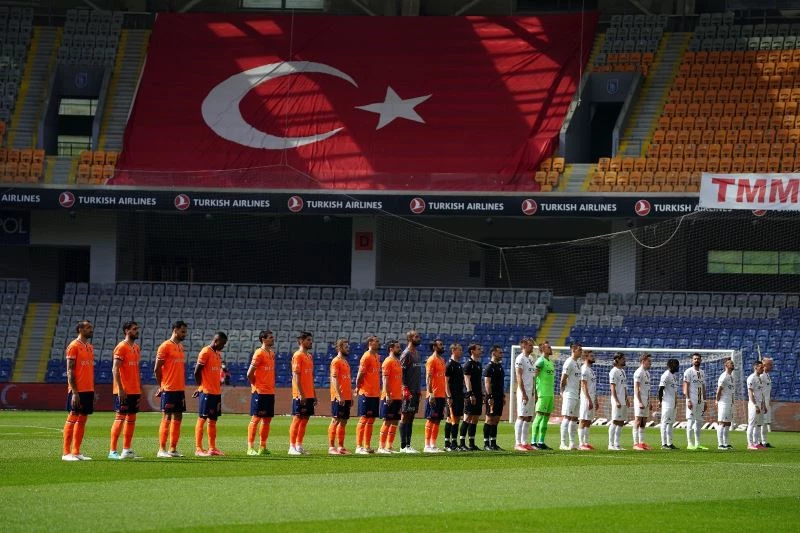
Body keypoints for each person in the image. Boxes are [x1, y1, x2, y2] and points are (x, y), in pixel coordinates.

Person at [154, 320, 188, 458]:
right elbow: (157, 369)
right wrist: (161, 386)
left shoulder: (180, 347)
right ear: (175, 330)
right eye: (183, 331)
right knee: (167, 416)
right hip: (168, 388)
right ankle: (161, 449)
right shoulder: (165, 346)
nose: (185, 334)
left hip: (179, 388)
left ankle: (173, 449)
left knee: (178, 416)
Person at [62, 320, 95, 461]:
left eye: (91, 327)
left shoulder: (90, 347)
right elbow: (70, 371)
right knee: (72, 418)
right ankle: (66, 453)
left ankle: (76, 451)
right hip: (77, 390)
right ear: (80, 330)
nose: (91, 329)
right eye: (88, 327)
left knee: (82, 419)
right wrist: (74, 392)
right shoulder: (73, 346)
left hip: (88, 389)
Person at [109, 321, 141, 460]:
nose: (137, 331)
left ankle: (126, 450)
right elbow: (115, 369)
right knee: (120, 418)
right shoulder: (121, 347)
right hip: (124, 390)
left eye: (137, 329)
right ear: (127, 331)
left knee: (131, 419)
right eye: (134, 329)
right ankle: (112, 451)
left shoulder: (136, 348)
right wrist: (120, 388)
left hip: (134, 389)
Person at [193, 332, 228, 457]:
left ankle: (212, 448)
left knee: (212, 420)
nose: (223, 346)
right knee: (202, 418)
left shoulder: (217, 354)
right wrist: (201, 387)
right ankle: (198, 449)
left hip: (216, 392)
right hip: (207, 392)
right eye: (222, 343)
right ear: (216, 341)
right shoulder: (205, 352)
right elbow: (197, 371)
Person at [246, 330, 276, 456]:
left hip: (270, 391)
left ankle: (262, 447)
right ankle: (250, 448)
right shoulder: (259, 353)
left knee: (267, 419)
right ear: (263, 339)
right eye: (270, 337)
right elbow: (249, 373)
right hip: (260, 391)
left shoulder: (272, 353)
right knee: (256, 418)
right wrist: (256, 385)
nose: (272, 339)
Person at [289, 331, 316, 455]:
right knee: (297, 418)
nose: (311, 342)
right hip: (300, 394)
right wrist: (301, 394)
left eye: (311, 340)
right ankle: (292, 447)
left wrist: (314, 394)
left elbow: (310, 377)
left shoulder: (309, 356)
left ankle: (299, 445)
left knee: (305, 419)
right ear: (301, 341)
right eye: (308, 340)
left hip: (309, 393)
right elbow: (296, 376)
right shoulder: (298, 355)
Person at [355, 335, 381, 454]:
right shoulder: (366, 356)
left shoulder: (377, 356)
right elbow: (360, 374)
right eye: (376, 341)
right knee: (364, 419)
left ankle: (367, 446)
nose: (378, 343)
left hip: (375, 393)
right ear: (370, 343)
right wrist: (358, 387)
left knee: (371, 420)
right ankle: (359, 446)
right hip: (366, 392)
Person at [399, 330, 422, 453]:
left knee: (411, 416)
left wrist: (418, 389)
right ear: (410, 339)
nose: (419, 338)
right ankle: (403, 446)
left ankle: (408, 445)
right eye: (416, 337)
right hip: (408, 391)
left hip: (415, 390)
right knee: (405, 415)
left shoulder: (417, 353)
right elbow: (401, 372)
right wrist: (404, 388)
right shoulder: (406, 354)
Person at [378, 340, 403, 453]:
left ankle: (389, 446)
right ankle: (381, 447)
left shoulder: (398, 362)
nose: (399, 349)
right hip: (389, 396)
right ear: (391, 349)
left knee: (395, 421)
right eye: (397, 347)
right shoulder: (387, 361)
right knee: (387, 421)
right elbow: (385, 379)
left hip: (397, 396)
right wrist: (388, 395)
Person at [329, 338, 353, 455]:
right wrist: (339, 395)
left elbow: (347, 381)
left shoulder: (345, 362)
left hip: (346, 396)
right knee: (336, 420)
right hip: (338, 397)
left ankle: (341, 447)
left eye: (348, 347)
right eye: (345, 347)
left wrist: (350, 396)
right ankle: (331, 447)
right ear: (339, 348)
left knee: (343, 421)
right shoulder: (336, 361)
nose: (348, 349)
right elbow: (334, 379)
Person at [424, 339, 447, 453]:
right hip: (434, 394)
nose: (442, 346)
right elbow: (428, 378)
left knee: (437, 420)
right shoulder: (431, 360)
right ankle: (427, 445)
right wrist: (431, 393)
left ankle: (433, 444)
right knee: (431, 419)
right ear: (434, 347)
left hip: (441, 394)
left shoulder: (442, 360)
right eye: (440, 345)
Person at [459, 343, 483, 451]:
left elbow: (480, 381)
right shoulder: (468, 364)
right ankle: (462, 443)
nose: (480, 351)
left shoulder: (478, 364)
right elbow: (467, 380)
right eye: (478, 349)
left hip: (478, 394)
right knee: (467, 417)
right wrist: (470, 394)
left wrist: (482, 393)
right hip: (471, 395)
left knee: (475, 418)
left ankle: (472, 444)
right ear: (472, 351)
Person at [513, 339, 536, 451]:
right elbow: (519, 376)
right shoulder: (520, 358)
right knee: (521, 416)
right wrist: (523, 393)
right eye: (530, 345)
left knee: (529, 416)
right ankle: (517, 443)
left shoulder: (530, 359)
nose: (532, 347)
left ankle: (524, 442)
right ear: (524, 346)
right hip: (524, 392)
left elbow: (532, 377)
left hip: (531, 391)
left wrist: (533, 391)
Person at [532, 341, 555, 450]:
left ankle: (541, 442)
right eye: (548, 347)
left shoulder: (550, 362)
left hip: (550, 393)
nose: (551, 349)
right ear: (543, 349)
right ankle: (533, 442)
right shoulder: (540, 361)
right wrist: (535, 392)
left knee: (546, 418)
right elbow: (534, 376)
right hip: (542, 393)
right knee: (539, 416)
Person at [559, 342, 582, 450]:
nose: (581, 352)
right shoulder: (569, 362)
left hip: (576, 394)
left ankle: (572, 443)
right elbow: (563, 378)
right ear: (573, 350)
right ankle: (563, 443)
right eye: (579, 350)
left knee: (574, 418)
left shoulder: (577, 363)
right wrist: (562, 391)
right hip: (569, 393)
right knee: (567, 417)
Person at [683, 353, 707, 450]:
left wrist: (705, 400)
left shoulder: (702, 372)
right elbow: (685, 386)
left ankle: (697, 444)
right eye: (695, 359)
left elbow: (703, 387)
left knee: (699, 422)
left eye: (698, 359)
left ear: (701, 360)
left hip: (700, 400)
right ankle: (689, 444)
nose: (696, 360)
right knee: (690, 421)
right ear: (692, 361)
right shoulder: (688, 371)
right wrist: (688, 399)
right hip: (692, 400)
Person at [483, 344, 505, 451]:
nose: (502, 354)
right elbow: (487, 382)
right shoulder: (489, 367)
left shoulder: (500, 366)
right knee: (489, 419)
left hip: (499, 396)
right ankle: (486, 444)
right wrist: (490, 396)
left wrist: (503, 395)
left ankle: (493, 443)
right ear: (493, 353)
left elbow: (501, 383)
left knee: (496, 419)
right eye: (500, 352)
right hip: (492, 396)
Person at [444, 343, 465, 452]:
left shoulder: (459, 365)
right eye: (459, 350)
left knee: (457, 418)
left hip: (459, 395)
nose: (461, 352)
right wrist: (449, 396)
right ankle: (447, 444)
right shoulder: (449, 365)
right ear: (453, 351)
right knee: (450, 418)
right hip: (452, 396)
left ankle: (454, 443)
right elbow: (446, 382)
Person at [608, 352, 629, 451]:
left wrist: (626, 398)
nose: (624, 360)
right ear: (617, 360)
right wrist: (616, 400)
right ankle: (610, 444)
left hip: (623, 400)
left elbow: (624, 387)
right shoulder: (613, 371)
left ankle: (617, 444)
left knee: (621, 422)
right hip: (617, 400)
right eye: (623, 359)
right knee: (615, 421)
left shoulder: (622, 371)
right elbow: (612, 387)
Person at [632, 353, 653, 450]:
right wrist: (639, 401)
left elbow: (647, 389)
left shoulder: (647, 373)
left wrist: (650, 401)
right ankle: (636, 443)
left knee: (644, 422)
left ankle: (642, 442)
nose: (650, 363)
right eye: (649, 361)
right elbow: (636, 388)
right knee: (638, 420)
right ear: (643, 361)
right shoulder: (638, 372)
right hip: (639, 400)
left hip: (646, 400)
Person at [658, 358, 680, 449]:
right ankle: (664, 444)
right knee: (664, 422)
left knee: (670, 423)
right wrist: (660, 401)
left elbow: (674, 390)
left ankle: (670, 443)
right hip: (666, 403)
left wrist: (675, 401)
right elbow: (660, 389)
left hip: (673, 403)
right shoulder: (666, 375)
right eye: (677, 365)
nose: (678, 367)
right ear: (672, 366)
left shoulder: (673, 376)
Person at [578, 349, 597, 450]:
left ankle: (586, 442)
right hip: (586, 398)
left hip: (592, 397)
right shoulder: (584, 369)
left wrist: (595, 400)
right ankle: (581, 443)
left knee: (588, 420)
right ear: (586, 357)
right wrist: (589, 399)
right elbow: (583, 385)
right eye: (591, 356)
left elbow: (592, 386)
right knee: (583, 419)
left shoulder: (591, 370)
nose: (593, 357)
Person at [715, 357, 736, 450]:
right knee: (722, 423)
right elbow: (719, 390)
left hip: (729, 402)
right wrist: (717, 400)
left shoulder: (731, 377)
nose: (733, 364)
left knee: (728, 423)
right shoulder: (723, 376)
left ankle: (726, 443)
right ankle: (720, 444)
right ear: (726, 365)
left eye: (733, 363)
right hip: (723, 402)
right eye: (731, 363)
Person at [747, 360, 767, 450]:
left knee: (758, 424)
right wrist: (755, 405)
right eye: (761, 367)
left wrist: (764, 404)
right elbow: (750, 392)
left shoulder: (760, 378)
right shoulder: (751, 378)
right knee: (751, 424)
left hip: (760, 403)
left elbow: (761, 393)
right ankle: (750, 444)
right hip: (754, 404)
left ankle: (756, 443)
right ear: (755, 367)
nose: (763, 369)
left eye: (763, 367)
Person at [760, 357, 773, 447]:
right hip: (762, 402)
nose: (772, 366)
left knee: (765, 422)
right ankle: (758, 441)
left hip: (767, 401)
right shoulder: (761, 376)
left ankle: (764, 441)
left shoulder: (767, 375)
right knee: (760, 422)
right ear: (764, 365)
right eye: (770, 364)